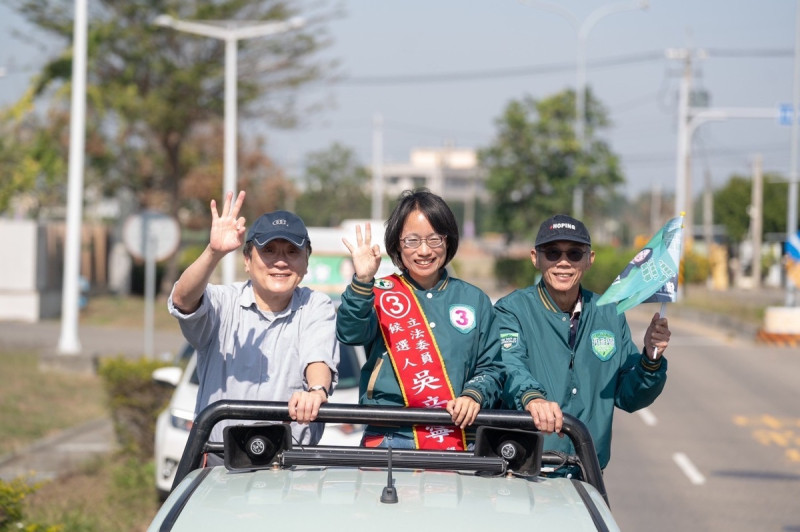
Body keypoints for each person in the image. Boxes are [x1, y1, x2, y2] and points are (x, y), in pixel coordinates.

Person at [495, 214, 670, 472]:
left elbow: (629, 396)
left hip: (587, 472)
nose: (563, 263)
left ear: (590, 259)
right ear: (536, 258)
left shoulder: (609, 313)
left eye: (575, 254)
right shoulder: (512, 310)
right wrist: (533, 398)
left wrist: (650, 359)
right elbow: (509, 366)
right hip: (525, 470)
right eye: (553, 253)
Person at [168, 190, 340, 449]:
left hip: (292, 462)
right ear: (247, 260)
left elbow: (319, 357)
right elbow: (182, 300)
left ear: (306, 263)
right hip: (219, 458)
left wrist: (316, 391)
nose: (280, 262)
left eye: (292, 252)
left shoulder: (316, 305)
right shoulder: (223, 301)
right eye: (268, 250)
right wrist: (213, 252)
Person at [336, 189, 504, 450]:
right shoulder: (379, 292)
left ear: (448, 241)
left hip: (457, 439)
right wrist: (363, 281)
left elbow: (492, 367)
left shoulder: (475, 300)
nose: (424, 251)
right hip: (390, 437)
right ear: (396, 244)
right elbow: (350, 333)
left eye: (434, 239)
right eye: (412, 241)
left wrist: (474, 395)